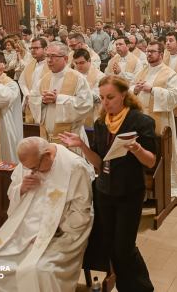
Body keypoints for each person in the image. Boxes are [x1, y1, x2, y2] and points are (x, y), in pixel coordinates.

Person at [60, 75, 156, 292]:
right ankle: (126, 287)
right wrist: (81, 147)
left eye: (110, 97)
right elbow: (99, 162)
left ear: (123, 95)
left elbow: (151, 162)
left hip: (129, 192)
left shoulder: (141, 122)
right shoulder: (101, 123)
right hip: (104, 191)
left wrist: (138, 149)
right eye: (102, 98)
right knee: (110, 247)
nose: (105, 102)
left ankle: (143, 288)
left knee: (124, 248)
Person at [0, 137, 94, 291]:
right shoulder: (30, 162)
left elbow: (81, 211)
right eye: (29, 169)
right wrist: (21, 188)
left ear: (48, 155)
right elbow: (12, 193)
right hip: (23, 229)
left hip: (59, 234)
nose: (32, 172)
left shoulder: (74, 167)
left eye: (35, 168)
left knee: (36, 270)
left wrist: (51, 232)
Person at [132, 40, 177, 198]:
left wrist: (152, 90)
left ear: (161, 54)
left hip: (161, 121)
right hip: (141, 121)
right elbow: (130, 90)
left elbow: (174, 97)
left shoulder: (170, 73)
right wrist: (135, 89)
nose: (148, 54)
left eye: (152, 51)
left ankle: (166, 187)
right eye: (147, 51)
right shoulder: (142, 72)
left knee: (160, 151)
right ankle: (143, 189)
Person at [29, 42, 93, 155]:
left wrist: (58, 99)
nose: (49, 60)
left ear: (66, 58)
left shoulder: (78, 78)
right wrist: (42, 101)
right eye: (47, 56)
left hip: (70, 138)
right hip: (47, 138)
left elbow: (86, 104)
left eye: (53, 56)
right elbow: (33, 99)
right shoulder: (44, 79)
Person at [19, 38, 51, 123]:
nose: (33, 50)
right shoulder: (30, 65)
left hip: (45, 104)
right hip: (30, 102)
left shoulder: (51, 65)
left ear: (45, 49)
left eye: (36, 48)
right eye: (31, 48)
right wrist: (27, 94)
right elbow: (22, 81)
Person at [73, 48, 105, 129]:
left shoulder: (100, 76)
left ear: (89, 60)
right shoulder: (72, 75)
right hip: (75, 115)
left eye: (82, 63)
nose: (78, 66)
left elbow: (98, 97)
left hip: (93, 113)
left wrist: (79, 93)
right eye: (76, 63)